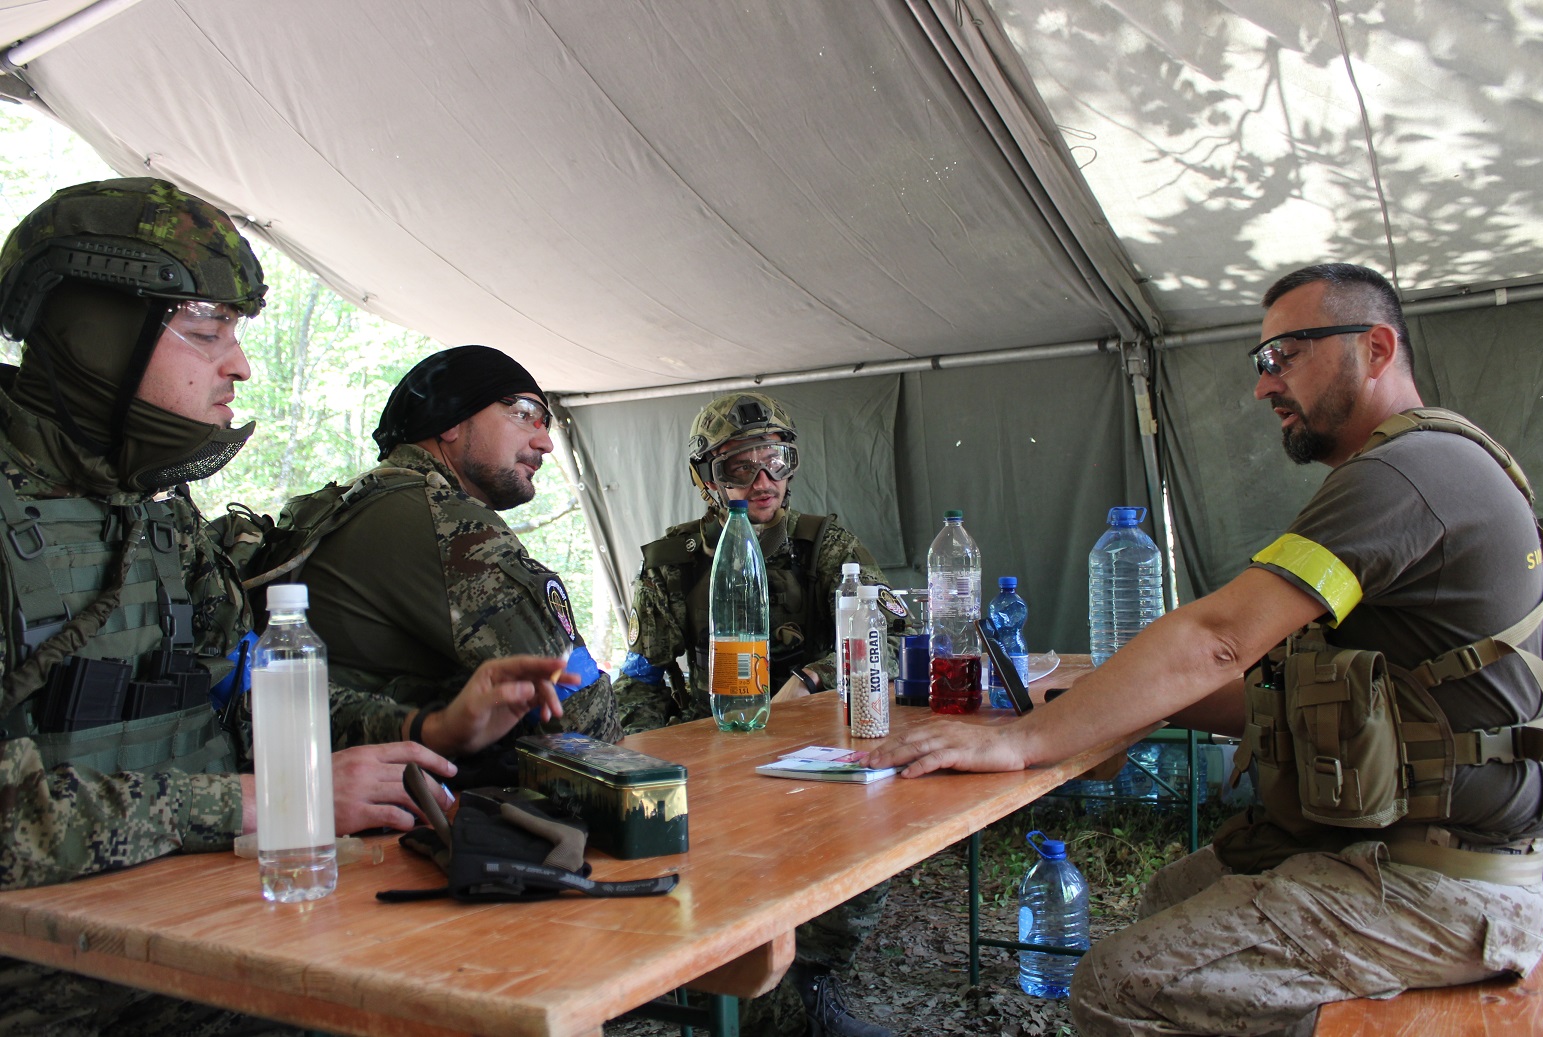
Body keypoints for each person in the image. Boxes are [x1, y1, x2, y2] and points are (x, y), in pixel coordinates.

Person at [869, 263, 1543, 1035]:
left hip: (1443, 884)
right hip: (1409, 853)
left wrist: (1024, 740)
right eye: (1262, 361)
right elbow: (1279, 693)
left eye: (1285, 354)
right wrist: (1103, 710)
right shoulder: (1422, 466)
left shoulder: (1408, 473)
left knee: (1116, 983)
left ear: (1375, 348)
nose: (1264, 385)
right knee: (1172, 892)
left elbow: (1220, 640)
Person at [0, 179, 571, 1033]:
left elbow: (248, 696)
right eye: (206, 329)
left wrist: (428, 726)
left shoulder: (158, 518)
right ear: (96, 331)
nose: (237, 364)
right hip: (60, 984)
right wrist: (271, 800)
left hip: (209, 933)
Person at [614, 391, 903, 1037]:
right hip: (715, 748)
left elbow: (887, 629)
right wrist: (659, 750)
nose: (763, 480)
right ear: (706, 479)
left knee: (868, 850)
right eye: (739, 467)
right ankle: (722, 979)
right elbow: (641, 672)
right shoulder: (673, 562)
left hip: (814, 742)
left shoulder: (824, 545)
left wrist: (812, 678)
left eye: (776, 461)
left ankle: (809, 981)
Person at [266, 344, 622, 768]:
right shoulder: (443, 518)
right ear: (450, 419)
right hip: (388, 795)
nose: (544, 442)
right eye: (524, 413)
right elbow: (584, 723)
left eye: (546, 423)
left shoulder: (355, 501)